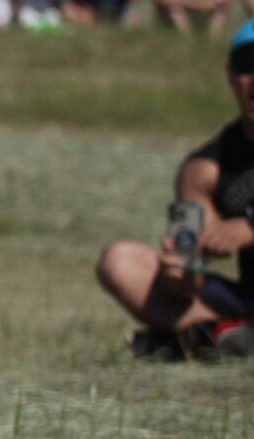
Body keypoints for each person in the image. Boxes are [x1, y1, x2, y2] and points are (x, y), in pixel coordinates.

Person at [94, 20, 254, 358]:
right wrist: (179, 275)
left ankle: (191, 341)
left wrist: (248, 228)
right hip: (246, 300)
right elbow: (191, 262)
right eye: (247, 66)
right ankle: (216, 334)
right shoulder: (205, 168)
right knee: (119, 260)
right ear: (230, 75)